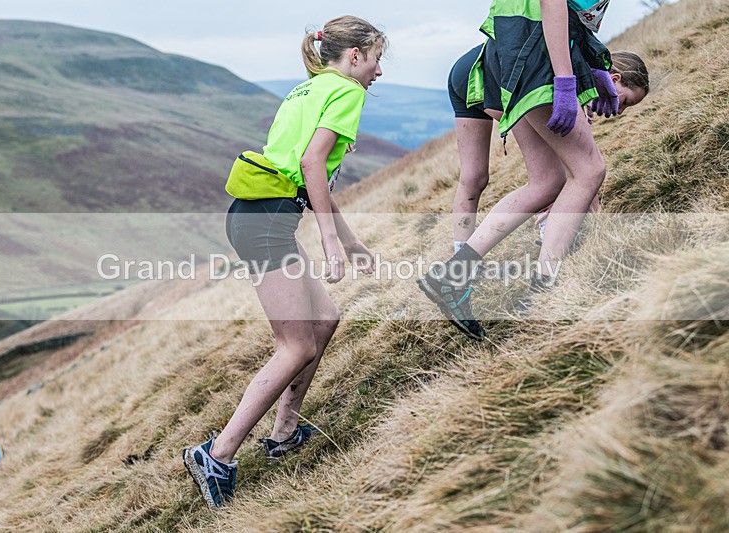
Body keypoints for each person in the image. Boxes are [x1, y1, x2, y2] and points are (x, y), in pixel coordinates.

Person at [182, 15, 385, 508]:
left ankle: (284, 431)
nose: (379, 71)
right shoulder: (347, 92)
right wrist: (330, 243)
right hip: (267, 222)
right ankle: (218, 455)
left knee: (325, 319)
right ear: (354, 55)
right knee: (294, 346)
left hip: (255, 215)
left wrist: (351, 241)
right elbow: (312, 166)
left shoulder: (307, 89)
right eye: (377, 58)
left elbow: (306, 175)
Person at [419, 0, 649, 338]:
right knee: (589, 170)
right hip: (534, 55)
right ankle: (543, 291)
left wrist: (591, 68)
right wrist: (566, 81)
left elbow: (575, 18)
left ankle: (452, 275)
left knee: (548, 181)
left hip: (513, 53)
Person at [448, 48, 649, 253]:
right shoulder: (573, 83)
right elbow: (581, 169)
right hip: (494, 75)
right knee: (548, 179)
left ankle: (460, 267)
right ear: (614, 79)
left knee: (473, 178)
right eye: (624, 102)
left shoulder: (580, 69)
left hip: (469, 67)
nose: (618, 111)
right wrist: (594, 219)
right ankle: (548, 236)